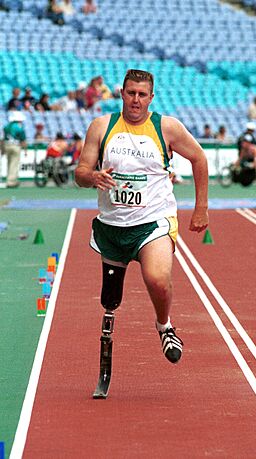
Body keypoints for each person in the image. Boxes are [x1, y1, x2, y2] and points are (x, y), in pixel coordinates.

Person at [75, 69, 208, 368]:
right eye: (131, 93)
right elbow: (80, 173)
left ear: (151, 97)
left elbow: (199, 157)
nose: (136, 100)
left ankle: (165, 326)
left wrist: (201, 207)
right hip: (112, 225)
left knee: (157, 279)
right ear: (121, 93)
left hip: (153, 221)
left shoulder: (167, 128)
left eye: (142, 94)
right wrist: (92, 176)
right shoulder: (101, 126)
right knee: (110, 298)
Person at [1, 111, 27, 188]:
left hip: (7, 145)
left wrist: (2, 149)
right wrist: (25, 150)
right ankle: (11, 181)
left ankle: (9, 180)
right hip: (15, 146)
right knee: (14, 164)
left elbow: (2, 138)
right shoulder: (19, 127)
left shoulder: (6, 126)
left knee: (9, 163)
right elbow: (23, 140)